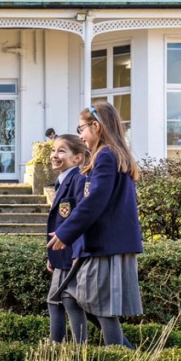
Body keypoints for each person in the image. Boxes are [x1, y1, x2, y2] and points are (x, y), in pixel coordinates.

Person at [48, 102, 142, 347]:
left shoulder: (106, 156)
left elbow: (95, 200)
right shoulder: (109, 155)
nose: (80, 135)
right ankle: (127, 355)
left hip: (105, 245)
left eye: (81, 129)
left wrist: (66, 233)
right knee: (82, 300)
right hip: (103, 244)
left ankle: (124, 357)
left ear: (96, 127)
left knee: (100, 308)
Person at [46, 134, 90, 344]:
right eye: (53, 150)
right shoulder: (62, 181)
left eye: (61, 151)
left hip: (72, 253)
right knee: (59, 301)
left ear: (77, 158)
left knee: (64, 301)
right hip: (61, 253)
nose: (54, 155)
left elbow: (83, 218)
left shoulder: (79, 180)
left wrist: (77, 252)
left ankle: (73, 350)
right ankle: (63, 349)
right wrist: (51, 255)